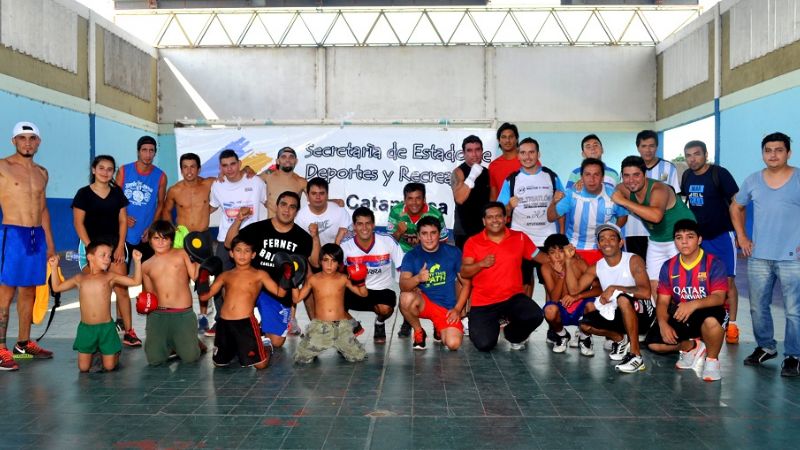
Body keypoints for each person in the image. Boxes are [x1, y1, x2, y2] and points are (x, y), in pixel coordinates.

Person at [731, 132, 800, 377]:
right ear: (763, 154)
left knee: (794, 310)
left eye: (779, 150)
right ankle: (766, 347)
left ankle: (794, 356)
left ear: (788, 153)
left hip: (793, 258)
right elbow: (736, 205)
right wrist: (741, 236)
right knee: (759, 307)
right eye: (768, 150)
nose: (773, 154)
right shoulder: (753, 180)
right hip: (759, 256)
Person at [226, 191, 316, 349]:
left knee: (276, 342)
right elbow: (229, 244)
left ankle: (262, 327)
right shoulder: (257, 229)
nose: (287, 210)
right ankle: (234, 324)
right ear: (276, 206)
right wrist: (238, 220)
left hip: (278, 292)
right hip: (252, 286)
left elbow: (309, 269)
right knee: (230, 282)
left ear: (297, 211)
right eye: (283, 204)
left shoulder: (303, 238)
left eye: (292, 207)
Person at [0, 121, 56, 370]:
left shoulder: (42, 172)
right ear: (14, 141)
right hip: (11, 234)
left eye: (32, 138)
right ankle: (0, 348)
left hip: (36, 237)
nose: (27, 143)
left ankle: (22, 343)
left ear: (39, 142)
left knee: (29, 291)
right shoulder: (2, 167)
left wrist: (51, 245)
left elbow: (43, 209)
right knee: (5, 292)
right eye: (22, 138)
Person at [645, 219, 727, 382]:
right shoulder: (669, 266)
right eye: (678, 237)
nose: (684, 242)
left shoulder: (713, 263)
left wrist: (693, 304)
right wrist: (663, 324)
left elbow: (719, 297)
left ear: (699, 239)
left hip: (708, 310)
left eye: (689, 237)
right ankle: (691, 347)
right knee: (654, 344)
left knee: (711, 321)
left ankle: (712, 361)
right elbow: (662, 301)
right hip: (682, 313)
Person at [566, 223, 654, 373]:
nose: (607, 242)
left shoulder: (633, 260)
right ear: (598, 245)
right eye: (602, 239)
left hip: (644, 313)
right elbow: (574, 290)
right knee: (585, 325)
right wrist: (568, 260)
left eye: (612, 238)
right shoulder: (597, 266)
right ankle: (619, 339)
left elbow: (645, 292)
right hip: (617, 312)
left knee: (622, 298)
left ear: (621, 242)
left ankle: (636, 356)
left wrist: (615, 288)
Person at [460, 202, 547, 351]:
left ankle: (512, 334)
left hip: (512, 298)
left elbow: (541, 258)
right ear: (483, 221)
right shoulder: (473, 242)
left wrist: (561, 258)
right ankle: (493, 323)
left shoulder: (519, 238)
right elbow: (464, 272)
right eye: (490, 217)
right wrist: (481, 264)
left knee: (535, 315)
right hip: (484, 302)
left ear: (505, 218)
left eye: (499, 216)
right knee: (484, 344)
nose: (495, 220)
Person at [681, 140, 741, 344]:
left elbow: (738, 203)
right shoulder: (687, 176)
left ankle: (732, 325)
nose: (692, 159)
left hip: (723, 235)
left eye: (696, 154)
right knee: (701, 282)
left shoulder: (719, 174)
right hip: (701, 239)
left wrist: (741, 234)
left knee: (728, 282)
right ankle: (705, 323)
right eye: (688, 155)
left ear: (706, 155)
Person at [612, 156, 695, 301]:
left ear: (644, 175)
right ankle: (661, 320)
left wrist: (624, 201)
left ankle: (687, 319)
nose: (631, 180)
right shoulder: (622, 188)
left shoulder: (659, 189)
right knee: (653, 284)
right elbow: (605, 191)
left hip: (681, 238)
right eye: (626, 176)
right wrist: (579, 183)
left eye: (636, 175)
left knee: (683, 283)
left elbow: (656, 216)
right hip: (657, 239)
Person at [49, 243, 142, 372]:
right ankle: (97, 351)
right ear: (90, 257)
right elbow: (56, 287)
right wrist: (54, 268)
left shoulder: (110, 277)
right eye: (103, 255)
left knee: (109, 367)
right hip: (86, 329)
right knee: (83, 368)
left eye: (109, 256)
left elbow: (135, 282)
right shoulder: (79, 279)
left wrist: (137, 262)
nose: (107, 259)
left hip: (106, 329)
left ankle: (114, 353)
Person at [205, 149, 268, 337]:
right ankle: (220, 321)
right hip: (226, 241)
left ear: (240, 163)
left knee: (260, 281)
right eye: (225, 165)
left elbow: (270, 203)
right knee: (221, 281)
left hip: (253, 242)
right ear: (220, 167)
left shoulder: (255, 181)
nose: (229, 169)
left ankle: (263, 322)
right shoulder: (217, 185)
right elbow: (210, 207)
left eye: (232, 164)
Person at [199, 236, 286, 369]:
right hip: (224, 324)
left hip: (245, 323)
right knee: (219, 363)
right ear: (231, 253)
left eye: (247, 251)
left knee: (260, 365)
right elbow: (204, 297)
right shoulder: (225, 275)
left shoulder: (259, 274)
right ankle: (236, 347)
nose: (242, 254)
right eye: (238, 250)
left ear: (253, 255)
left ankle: (266, 346)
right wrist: (203, 276)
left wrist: (287, 274)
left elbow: (281, 293)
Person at [114, 135, 167, 347]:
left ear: (154, 152)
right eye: (144, 150)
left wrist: (151, 228)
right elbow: (115, 198)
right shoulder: (125, 171)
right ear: (138, 151)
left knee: (148, 278)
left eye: (151, 150)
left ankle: (152, 321)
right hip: (123, 234)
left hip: (145, 234)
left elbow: (161, 203)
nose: (148, 154)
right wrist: (123, 217)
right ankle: (121, 320)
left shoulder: (160, 176)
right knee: (120, 278)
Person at [71, 155, 133, 335]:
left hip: (115, 246)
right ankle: (95, 331)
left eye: (109, 169)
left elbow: (122, 221)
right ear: (93, 170)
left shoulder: (117, 193)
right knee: (95, 291)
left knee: (121, 289)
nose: (105, 172)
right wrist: (93, 250)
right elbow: (78, 223)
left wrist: (121, 245)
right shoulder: (83, 194)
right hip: (91, 247)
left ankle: (129, 332)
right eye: (101, 168)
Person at [497, 137, 564, 297]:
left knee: (551, 285)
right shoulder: (511, 180)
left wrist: (561, 235)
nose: (527, 157)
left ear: (538, 154)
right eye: (523, 153)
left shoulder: (551, 176)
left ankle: (552, 320)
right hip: (520, 241)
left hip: (547, 240)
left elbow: (562, 209)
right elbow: (499, 214)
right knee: (522, 286)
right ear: (518, 156)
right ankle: (524, 321)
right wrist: (509, 207)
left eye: (531, 152)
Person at [140, 221, 207, 365]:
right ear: (150, 240)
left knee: (190, 358)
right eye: (156, 238)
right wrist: (146, 309)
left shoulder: (182, 254)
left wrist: (199, 258)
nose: (160, 242)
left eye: (165, 238)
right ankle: (171, 343)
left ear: (171, 240)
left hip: (182, 313)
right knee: (154, 360)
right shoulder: (145, 265)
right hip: (158, 315)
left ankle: (194, 342)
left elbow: (195, 277)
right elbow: (150, 293)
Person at [387, 182, 449, 337]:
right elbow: (389, 242)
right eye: (410, 199)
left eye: (418, 198)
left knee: (433, 286)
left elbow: (444, 240)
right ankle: (408, 321)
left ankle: (437, 320)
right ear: (404, 199)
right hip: (404, 254)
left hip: (429, 254)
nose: (414, 203)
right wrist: (399, 233)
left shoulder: (434, 214)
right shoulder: (396, 212)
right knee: (406, 288)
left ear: (424, 199)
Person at [399, 217, 468, 351]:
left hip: (446, 308)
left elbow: (466, 283)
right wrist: (418, 278)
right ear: (418, 236)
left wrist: (457, 310)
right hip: (425, 303)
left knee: (453, 344)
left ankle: (439, 327)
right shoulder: (411, 256)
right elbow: (403, 285)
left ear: (439, 234)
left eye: (433, 233)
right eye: (424, 233)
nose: (429, 238)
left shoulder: (453, 252)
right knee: (405, 298)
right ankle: (419, 331)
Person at [292, 243, 368, 363]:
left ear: (339, 263)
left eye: (333, 261)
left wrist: (361, 280)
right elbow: (296, 299)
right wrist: (293, 282)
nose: (329, 264)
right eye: (325, 260)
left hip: (342, 326)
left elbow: (363, 294)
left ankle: (343, 345)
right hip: (319, 327)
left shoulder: (344, 278)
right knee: (301, 358)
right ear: (320, 261)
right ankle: (315, 346)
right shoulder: (313, 279)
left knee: (358, 357)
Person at [340, 207, 405, 344]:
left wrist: (406, 290)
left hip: (381, 289)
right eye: (360, 224)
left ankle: (380, 323)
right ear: (354, 226)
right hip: (355, 289)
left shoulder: (387, 241)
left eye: (368, 223)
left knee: (385, 309)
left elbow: (401, 267)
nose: (364, 228)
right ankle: (352, 324)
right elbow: (334, 270)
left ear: (373, 225)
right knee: (332, 300)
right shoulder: (346, 245)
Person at [547, 157, 627, 265]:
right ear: (582, 177)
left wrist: (611, 232)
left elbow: (623, 216)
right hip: (574, 248)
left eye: (596, 175)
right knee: (574, 281)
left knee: (600, 282)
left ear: (602, 177)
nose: (592, 179)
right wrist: (553, 202)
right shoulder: (571, 194)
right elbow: (551, 217)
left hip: (603, 249)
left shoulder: (613, 194)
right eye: (587, 174)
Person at [293, 177, 351, 325]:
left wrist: (334, 258)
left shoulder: (339, 211)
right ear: (308, 195)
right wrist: (308, 270)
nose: (318, 197)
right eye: (314, 193)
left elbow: (346, 240)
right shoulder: (300, 216)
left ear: (327, 194)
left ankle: (341, 324)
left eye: (321, 193)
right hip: (311, 255)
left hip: (335, 255)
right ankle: (316, 326)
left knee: (339, 289)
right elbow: (300, 247)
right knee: (309, 285)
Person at [540, 233, 600, 355]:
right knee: (550, 310)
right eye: (552, 252)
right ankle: (562, 335)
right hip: (562, 307)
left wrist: (578, 296)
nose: (557, 256)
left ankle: (585, 337)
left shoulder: (579, 263)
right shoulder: (546, 268)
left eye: (561, 251)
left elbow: (598, 289)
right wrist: (562, 275)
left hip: (580, 307)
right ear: (548, 255)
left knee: (592, 306)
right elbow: (555, 299)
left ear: (568, 250)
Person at [624, 130, 680, 261]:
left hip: (663, 231)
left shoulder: (668, 168)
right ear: (638, 147)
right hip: (634, 231)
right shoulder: (629, 168)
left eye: (651, 146)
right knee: (638, 270)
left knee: (666, 271)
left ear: (657, 146)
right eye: (644, 146)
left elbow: (675, 201)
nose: (648, 150)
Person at [451, 135, 490, 249]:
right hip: (464, 230)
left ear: (482, 151)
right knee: (466, 265)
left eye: (477, 150)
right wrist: (472, 176)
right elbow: (460, 199)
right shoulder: (458, 172)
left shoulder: (487, 173)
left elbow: (492, 201)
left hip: (484, 229)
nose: (474, 154)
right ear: (464, 153)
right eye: (470, 150)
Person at [259, 147, 307, 218]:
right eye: (283, 157)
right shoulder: (268, 175)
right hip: (270, 226)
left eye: (291, 157)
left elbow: (318, 199)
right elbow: (248, 183)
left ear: (296, 161)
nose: (287, 160)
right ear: (277, 161)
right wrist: (263, 199)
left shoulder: (301, 182)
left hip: (290, 226)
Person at [488, 122, 521, 201]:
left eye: (511, 137)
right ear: (499, 140)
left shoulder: (527, 161)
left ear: (516, 139)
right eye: (503, 137)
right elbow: (493, 196)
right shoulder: (493, 166)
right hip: (504, 211)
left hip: (526, 211)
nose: (507, 140)